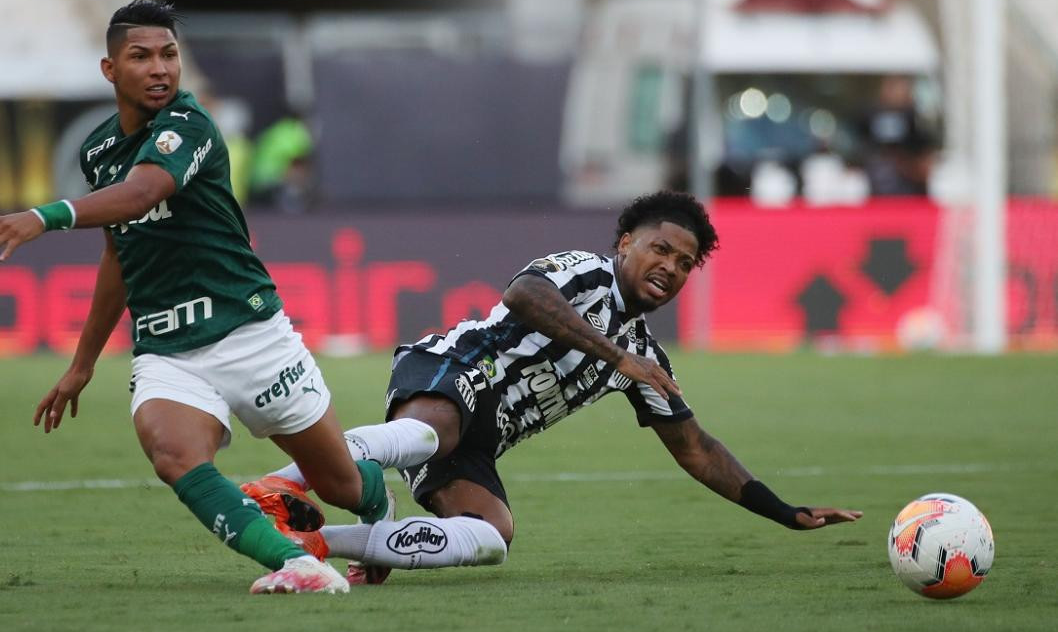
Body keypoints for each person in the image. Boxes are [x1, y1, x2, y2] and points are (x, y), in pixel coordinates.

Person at [0, 0, 424, 595]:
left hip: (249, 334)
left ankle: (375, 501)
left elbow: (141, 194)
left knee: (336, 483)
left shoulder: (189, 124)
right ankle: (296, 562)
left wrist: (44, 216)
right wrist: (81, 365)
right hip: (167, 348)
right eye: (141, 56)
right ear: (110, 70)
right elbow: (117, 254)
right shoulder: (98, 152)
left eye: (169, 55)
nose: (159, 68)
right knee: (173, 454)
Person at [247, 191, 862, 584]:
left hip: (476, 444)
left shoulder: (645, 359)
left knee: (492, 539)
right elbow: (524, 295)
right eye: (661, 250)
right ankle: (282, 483)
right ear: (625, 244)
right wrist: (617, 353)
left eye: (684, 263)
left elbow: (696, 449)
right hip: (452, 373)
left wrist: (784, 513)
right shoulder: (586, 271)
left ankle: (315, 541)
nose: (670, 268)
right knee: (430, 432)